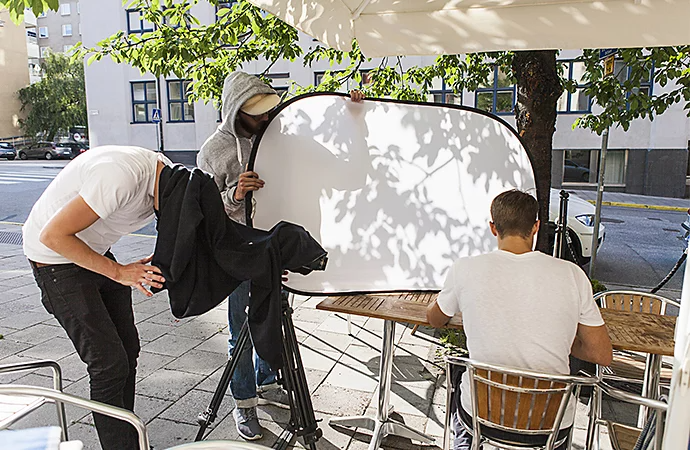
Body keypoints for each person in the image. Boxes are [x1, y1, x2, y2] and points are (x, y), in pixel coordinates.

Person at [197, 71, 364, 440]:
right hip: (240, 250)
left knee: (273, 318)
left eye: (268, 112)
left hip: (278, 248)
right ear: (235, 110)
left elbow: (344, 174)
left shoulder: (285, 138)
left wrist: (352, 118)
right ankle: (243, 403)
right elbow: (207, 216)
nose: (266, 120)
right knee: (240, 327)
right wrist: (234, 195)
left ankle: (267, 380)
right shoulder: (213, 151)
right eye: (257, 114)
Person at [426, 189, 612, 450]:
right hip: (549, 426)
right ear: (536, 227)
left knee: (461, 386)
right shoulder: (572, 275)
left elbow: (435, 319)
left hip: (482, 417)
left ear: (493, 228)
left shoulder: (465, 268)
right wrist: (559, 339)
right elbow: (601, 354)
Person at [22, 145, 169, 450]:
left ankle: (128, 440)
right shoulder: (120, 176)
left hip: (92, 250)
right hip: (54, 258)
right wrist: (117, 272)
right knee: (108, 363)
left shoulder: (166, 176)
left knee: (128, 349)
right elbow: (53, 236)